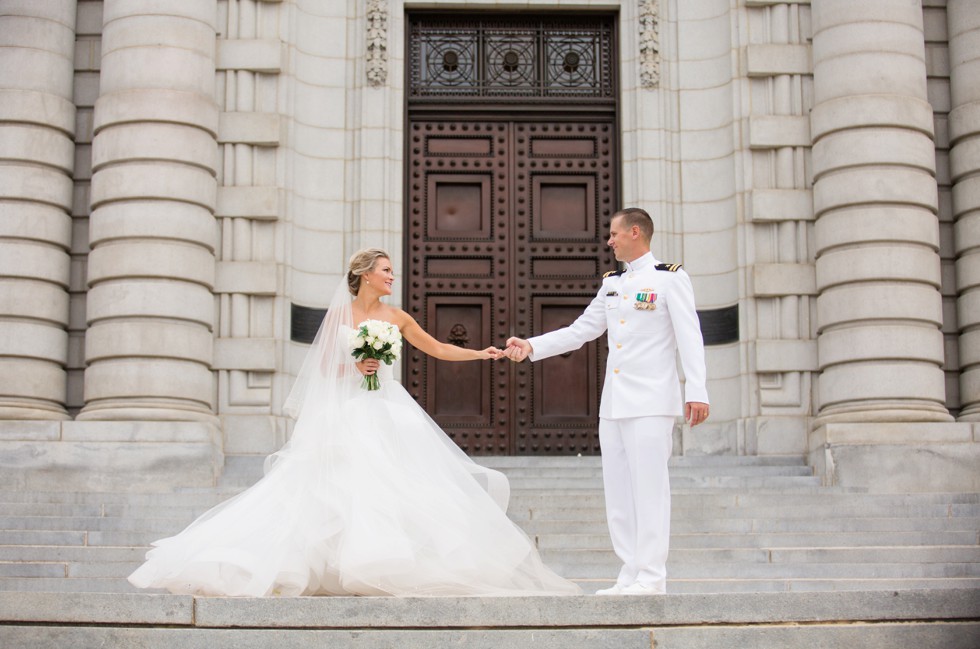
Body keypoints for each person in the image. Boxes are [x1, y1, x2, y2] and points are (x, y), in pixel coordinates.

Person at [128, 248, 581, 597]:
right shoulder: (340, 317)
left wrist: (481, 353)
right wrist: (355, 366)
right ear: (366, 274)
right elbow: (324, 370)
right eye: (385, 270)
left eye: (391, 271)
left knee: (395, 481)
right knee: (339, 483)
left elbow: (438, 348)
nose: (391, 276)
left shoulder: (396, 316)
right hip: (347, 407)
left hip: (385, 405)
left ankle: (384, 562)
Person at [504, 208, 709, 596]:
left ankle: (651, 577)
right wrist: (531, 346)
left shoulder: (670, 279)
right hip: (614, 404)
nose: (610, 241)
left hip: (651, 402)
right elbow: (581, 330)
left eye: (614, 234)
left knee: (649, 490)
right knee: (618, 493)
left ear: (635, 232)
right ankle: (630, 573)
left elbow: (690, 336)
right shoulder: (612, 284)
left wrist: (697, 390)